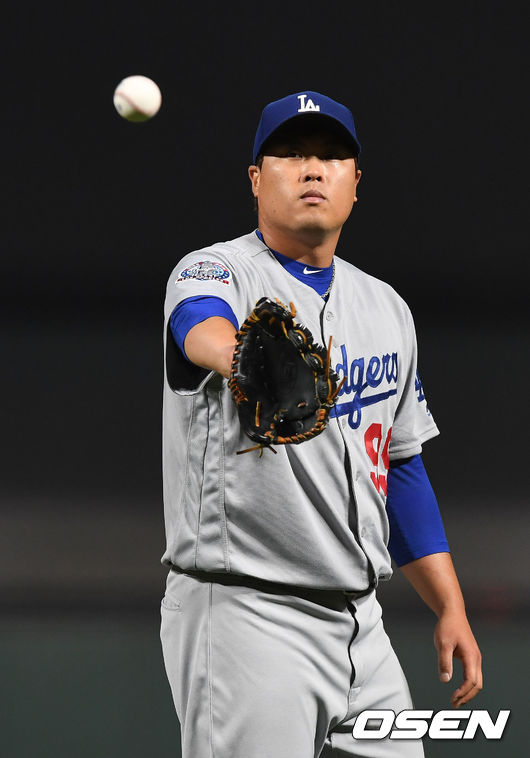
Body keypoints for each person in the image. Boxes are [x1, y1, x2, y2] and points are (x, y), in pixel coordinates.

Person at [160, 91, 482, 758]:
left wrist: (450, 605)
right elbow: (197, 325)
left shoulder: (386, 307)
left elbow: (400, 468)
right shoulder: (216, 268)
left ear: (356, 183)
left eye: (332, 155)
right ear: (257, 179)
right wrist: (241, 359)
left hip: (363, 624)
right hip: (248, 614)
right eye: (291, 153)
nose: (313, 168)